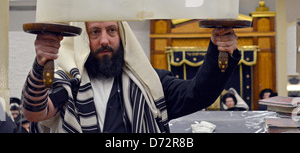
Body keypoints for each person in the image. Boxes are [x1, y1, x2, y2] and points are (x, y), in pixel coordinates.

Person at [21, 21, 240, 133]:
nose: (105, 40)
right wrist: (40, 64)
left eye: (111, 31)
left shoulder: (150, 84)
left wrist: (220, 50)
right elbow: (34, 112)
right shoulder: (68, 84)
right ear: (84, 40)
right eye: (95, 32)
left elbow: (198, 94)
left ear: (122, 36)